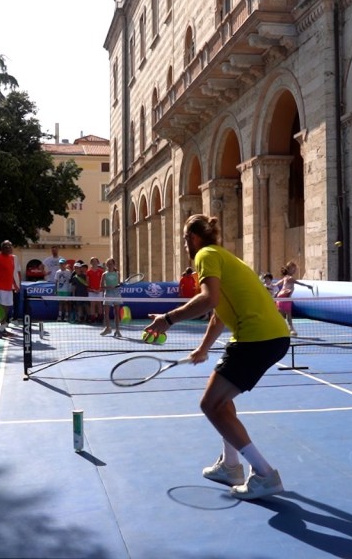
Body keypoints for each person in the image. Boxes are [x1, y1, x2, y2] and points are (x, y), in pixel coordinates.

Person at [144, 214, 290, 500]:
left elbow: (208, 299)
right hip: (269, 336)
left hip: (256, 338)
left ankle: (264, 474)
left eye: (185, 239)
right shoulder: (223, 256)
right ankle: (230, 466)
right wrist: (203, 348)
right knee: (221, 400)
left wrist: (168, 319)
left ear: (193, 238)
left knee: (210, 404)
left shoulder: (205, 255)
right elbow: (218, 314)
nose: (185, 244)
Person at [274, 261, 312, 335]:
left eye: (295, 269)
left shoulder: (285, 278)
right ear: (288, 269)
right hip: (284, 297)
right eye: (293, 269)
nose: (294, 270)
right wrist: (308, 286)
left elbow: (276, 284)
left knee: (283, 314)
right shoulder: (290, 278)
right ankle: (290, 329)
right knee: (287, 314)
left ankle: (283, 328)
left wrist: (271, 286)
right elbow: (299, 283)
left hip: (283, 297)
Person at [0, 240, 17, 337]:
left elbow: (10, 273)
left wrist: (15, 285)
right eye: (6, 247)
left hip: (8, 288)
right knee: (0, 308)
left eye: (9, 246)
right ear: (2, 248)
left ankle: (2, 329)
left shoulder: (11, 258)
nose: (8, 248)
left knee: (7, 308)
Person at [100, 257, 123, 337]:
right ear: (106, 265)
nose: (110, 265)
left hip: (116, 294)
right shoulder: (104, 274)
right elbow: (101, 286)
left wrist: (118, 285)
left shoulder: (117, 273)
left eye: (111, 264)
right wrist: (108, 287)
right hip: (108, 294)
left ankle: (117, 330)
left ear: (114, 264)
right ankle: (108, 328)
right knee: (106, 312)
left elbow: (119, 283)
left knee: (116, 312)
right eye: (108, 264)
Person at [87, 257, 105, 323]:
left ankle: (100, 318)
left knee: (99, 304)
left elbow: (103, 281)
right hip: (92, 291)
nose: (94, 263)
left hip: (99, 290)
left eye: (95, 261)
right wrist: (91, 289)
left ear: (98, 262)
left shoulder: (101, 271)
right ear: (91, 263)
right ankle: (92, 318)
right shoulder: (88, 272)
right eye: (93, 261)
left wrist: (100, 289)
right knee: (92, 304)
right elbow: (87, 282)